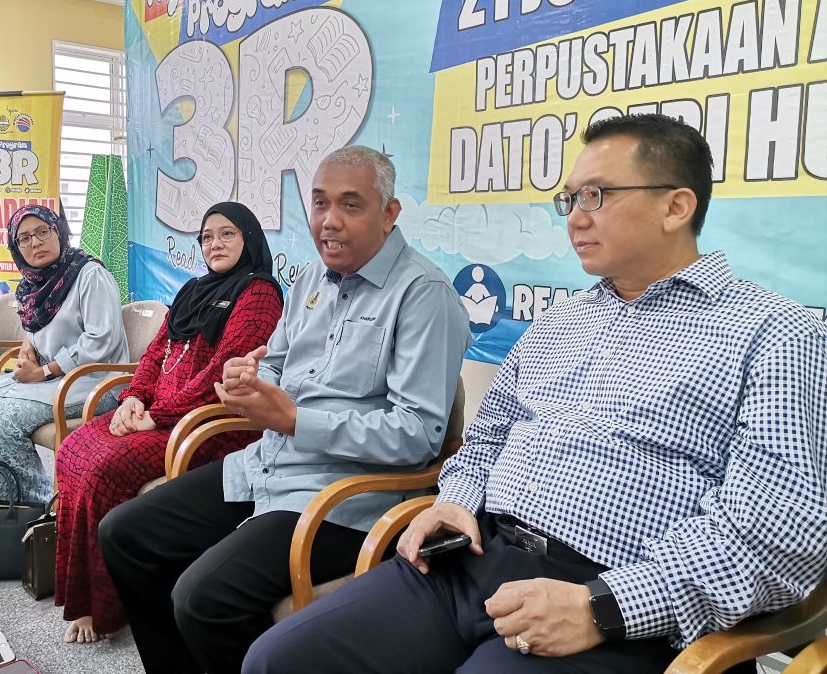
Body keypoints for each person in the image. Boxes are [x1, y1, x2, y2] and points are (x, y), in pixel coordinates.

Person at [242, 114, 827, 674]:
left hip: (609, 594)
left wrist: (606, 606)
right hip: (475, 554)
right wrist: (456, 501)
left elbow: (779, 531)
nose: (575, 219)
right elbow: (484, 441)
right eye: (569, 200)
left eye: (596, 196)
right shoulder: (558, 323)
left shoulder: (774, 332)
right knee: (278, 660)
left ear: (676, 206)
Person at [99, 145, 470, 674]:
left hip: (346, 496)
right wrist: (249, 381)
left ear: (390, 213)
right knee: (124, 533)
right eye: (319, 203)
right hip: (269, 464)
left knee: (202, 599)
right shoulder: (310, 283)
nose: (329, 221)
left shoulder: (423, 295)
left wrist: (295, 420)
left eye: (351, 205)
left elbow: (417, 435)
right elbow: (273, 362)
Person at [54, 202, 284, 644]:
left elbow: (225, 373)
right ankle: (82, 596)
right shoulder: (193, 289)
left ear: (250, 238)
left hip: (210, 425)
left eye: (227, 234)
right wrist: (133, 398)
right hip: (158, 416)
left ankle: (108, 607)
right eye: (207, 237)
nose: (214, 244)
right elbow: (155, 353)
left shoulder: (259, 294)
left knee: (104, 469)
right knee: (73, 450)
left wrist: (157, 417)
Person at [0, 205, 128, 504]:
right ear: (16, 247)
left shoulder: (90, 275)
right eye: (24, 238)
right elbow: (42, 329)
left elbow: (101, 341)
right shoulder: (32, 285)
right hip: (53, 379)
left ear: (58, 232)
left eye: (42, 232)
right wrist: (29, 345)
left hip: (95, 382)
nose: (35, 242)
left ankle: (23, 504)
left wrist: (44, 371)